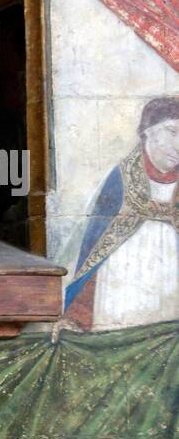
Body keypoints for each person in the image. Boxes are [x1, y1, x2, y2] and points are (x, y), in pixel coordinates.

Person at [64, 97, 179, 330]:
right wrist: (75, 314)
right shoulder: (121, 180)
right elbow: (94, 247)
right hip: (121, 286)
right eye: (172, 131)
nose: (178, 144)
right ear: (148, 131)